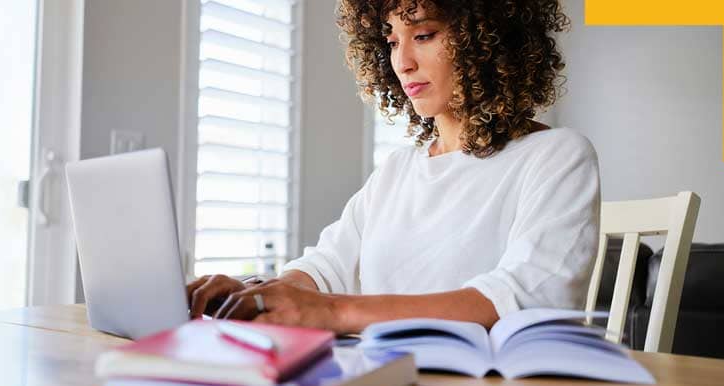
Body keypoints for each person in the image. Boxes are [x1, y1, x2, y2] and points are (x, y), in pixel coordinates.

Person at [187, 0, 600, 334]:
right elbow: (327, 267)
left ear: (490, 40)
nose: (401, 62)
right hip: (384, 380)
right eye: (390, 40)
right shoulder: (397, 170)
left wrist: (334, 312)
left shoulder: (556, 155)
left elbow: (527, 296)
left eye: (423, 34)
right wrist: (255, 295)